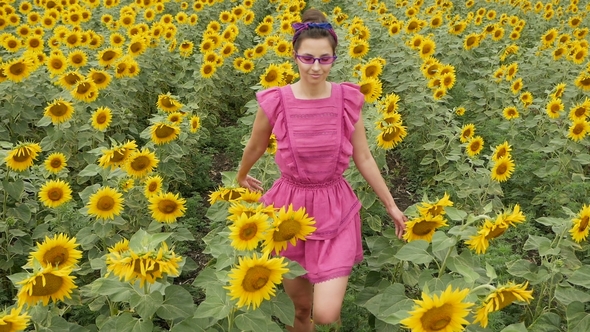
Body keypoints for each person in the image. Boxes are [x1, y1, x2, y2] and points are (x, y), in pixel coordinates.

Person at [237, 8, 407, 331]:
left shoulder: (345, 98)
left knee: (326, 312)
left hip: (334, 206)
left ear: (333, 57)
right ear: (295, 55)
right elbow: (256, 145)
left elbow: (365, 157)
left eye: (324, 59)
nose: (316, 67)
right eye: (308, 58)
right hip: (287, 211)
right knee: (299, 311)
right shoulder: (278, 101)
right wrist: (242, 174)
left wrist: (391, 205)